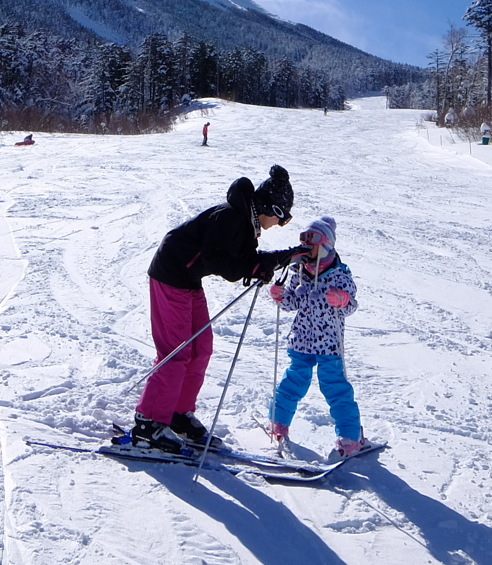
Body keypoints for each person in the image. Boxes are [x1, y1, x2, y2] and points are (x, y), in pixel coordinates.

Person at [132, 165, 301, 453]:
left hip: (188, 279)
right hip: (170, 275)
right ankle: (148, 423)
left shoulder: (245, 223)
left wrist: (285, 257)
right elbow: (217, 260)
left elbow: (245, 258)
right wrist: (251, 268)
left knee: (201, 348)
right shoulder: (230, 217)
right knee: (177, 351)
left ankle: (177, 413)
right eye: (282, 218)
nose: (279, 224)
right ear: (272, 209)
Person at [267, 216, 368, 459]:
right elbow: (291, 301)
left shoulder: (339, 274)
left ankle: (351, 437)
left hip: (329, 343)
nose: (304, 248)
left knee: (335, 388)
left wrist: (342, 299)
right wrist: (280, 295)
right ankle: (278, 423)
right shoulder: (298, 272)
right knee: (293, 382)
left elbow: (350, 305)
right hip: (301, 339)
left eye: (309, 243)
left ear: (325, 246)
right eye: (302, 242)